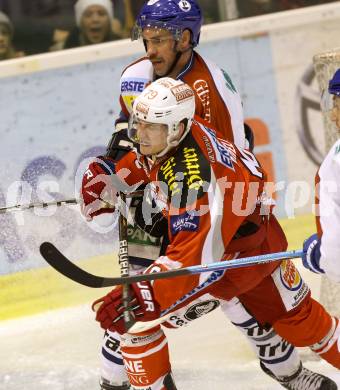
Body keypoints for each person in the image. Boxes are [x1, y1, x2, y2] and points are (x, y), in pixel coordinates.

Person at [83, 1, 336, 389]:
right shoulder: (169, 124)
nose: (149, 50)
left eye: (159, 40)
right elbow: (148, 147)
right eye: (146, 39)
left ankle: (289, 371)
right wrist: (113, 180)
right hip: (214, 225)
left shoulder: (209, 98)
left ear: (185, 38)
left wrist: (150, 290)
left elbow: (200, 241)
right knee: (140, 319)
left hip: (234, 237)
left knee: (295, 322)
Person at [302, 68, 340, 282]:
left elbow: (336, 256)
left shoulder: (335, 161)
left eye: (336, 104)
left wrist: (320, 257)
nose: (333, 115)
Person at [49, 0, 120, 51]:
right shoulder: (61, 53)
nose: (95, 19)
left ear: (110, 21)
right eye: (88, 15)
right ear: (80, 23)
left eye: (101, 14)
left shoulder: (122, 48)